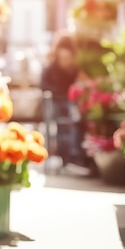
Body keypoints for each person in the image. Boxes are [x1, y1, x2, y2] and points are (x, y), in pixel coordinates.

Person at [40, 33, 88, 166]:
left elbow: (82, 80)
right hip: (56, 102)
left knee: (75, 124)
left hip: (69, 102)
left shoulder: (73, 68)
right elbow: (43, 85)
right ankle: (66, 156)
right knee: (62, 127)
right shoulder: (51, 67)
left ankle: (74, 154)